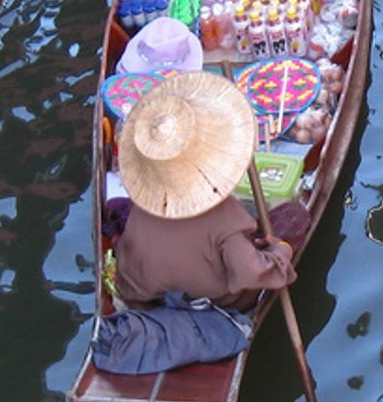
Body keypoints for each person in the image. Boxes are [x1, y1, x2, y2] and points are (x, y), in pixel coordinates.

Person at [111, 71, 303, 310]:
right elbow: (250, 273)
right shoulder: (226, 217)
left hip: (150, 298)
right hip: (214, 303)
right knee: (294, 215)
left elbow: (131, 279)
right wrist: (279, 253)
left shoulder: (143, 205)